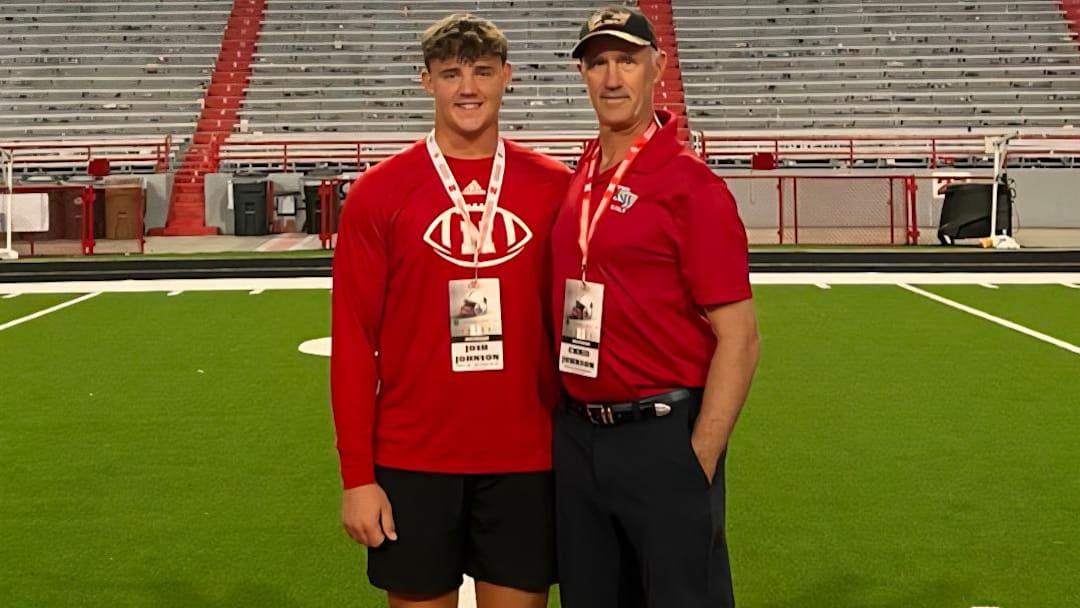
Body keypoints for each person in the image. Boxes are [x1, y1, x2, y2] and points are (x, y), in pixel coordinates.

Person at [330, 13, 571, 608]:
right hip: (414, 456)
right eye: (451, 73)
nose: (468, 88)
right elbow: (355, 340)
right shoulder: (378, 193)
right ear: (427, 82)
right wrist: (358, 476)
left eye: (483, 72)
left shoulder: (554, 186)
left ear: (507, 78)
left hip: (527, 456)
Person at [550, 6, 761, 608]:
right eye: (597, 64)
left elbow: (740, 339)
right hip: (579, 435)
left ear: (657, 68)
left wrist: (698, 458)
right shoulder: (581, 174)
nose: (612, 78)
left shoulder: (691, 185)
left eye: (627, 60)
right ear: (583, 76)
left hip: (662, 436)